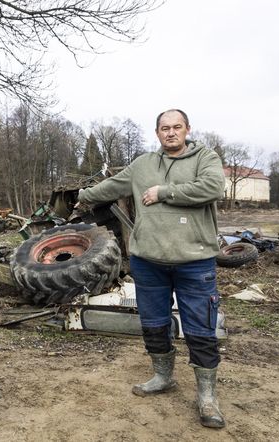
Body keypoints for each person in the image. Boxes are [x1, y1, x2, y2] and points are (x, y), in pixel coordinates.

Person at [77, 109, 226, 428]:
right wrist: (82, 195)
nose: (170, 133)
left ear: (187, 129)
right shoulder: (143, 164)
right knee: (154, 324)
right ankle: (163, 376)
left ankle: (207, 396)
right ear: (157, 133)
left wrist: (164, 193)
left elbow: (212, 189)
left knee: (201, 329)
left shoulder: (205, 158)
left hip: (195, 261)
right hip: (148, 262)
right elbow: (112, 186)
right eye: (164, 128)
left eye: (176, 127)